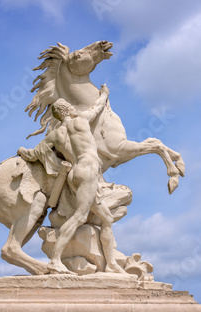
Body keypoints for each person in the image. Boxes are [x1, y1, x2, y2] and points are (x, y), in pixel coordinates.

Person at [18, 84, 125, 274]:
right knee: (80, 216)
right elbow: (97, 108)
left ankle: (111, 264)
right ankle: (55, 259)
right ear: (68, 109)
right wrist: (104, 95)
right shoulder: (81, 121)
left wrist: (22, 151)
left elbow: (35, 153)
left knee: (107, 217)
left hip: (74, 173)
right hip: (89, 169)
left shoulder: (55, 135)